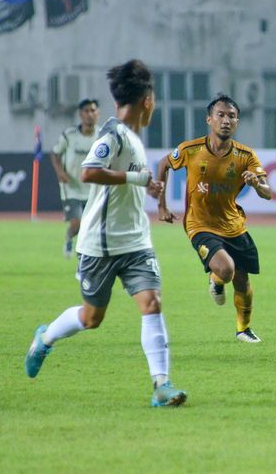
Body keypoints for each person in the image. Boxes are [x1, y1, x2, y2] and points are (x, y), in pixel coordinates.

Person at [24, 59, 187, 407]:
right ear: (147, 101)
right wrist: (138, 179)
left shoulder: (133, 139)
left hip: (136, 241)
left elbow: (125, 182)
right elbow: (89, 172)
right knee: (91, 318)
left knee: (152, 302)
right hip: (100, 243)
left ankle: (161, 386)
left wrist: (148, 188)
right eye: (154, 98)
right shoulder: (113, 133)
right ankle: (45, 338)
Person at [156, 93, 271, 343]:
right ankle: (216, 278)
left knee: (242, 279)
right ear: (209, 119)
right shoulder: (191, 149)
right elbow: (163, 164)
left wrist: (256, 185)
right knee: (227, 269)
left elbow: (268, 193)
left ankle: (243, 329)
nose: (226, 120)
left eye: (232, 116)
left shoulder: (246, 156)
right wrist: (161, 206)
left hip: (233, 225)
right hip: (199, 224)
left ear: (237, 122)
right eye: (221, 115)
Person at [50, 98, 100, 258]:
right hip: (71, 187)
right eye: (86, 111)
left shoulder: (102, 136)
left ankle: (83, 254)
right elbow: (55, 153)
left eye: (93, 111)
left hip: (93, 189)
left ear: (97, 113)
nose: (90, 114)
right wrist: (60, 172)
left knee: (91, 226)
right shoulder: (69, 135)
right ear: (80, 114)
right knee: (77, 223)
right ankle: (69, 238)